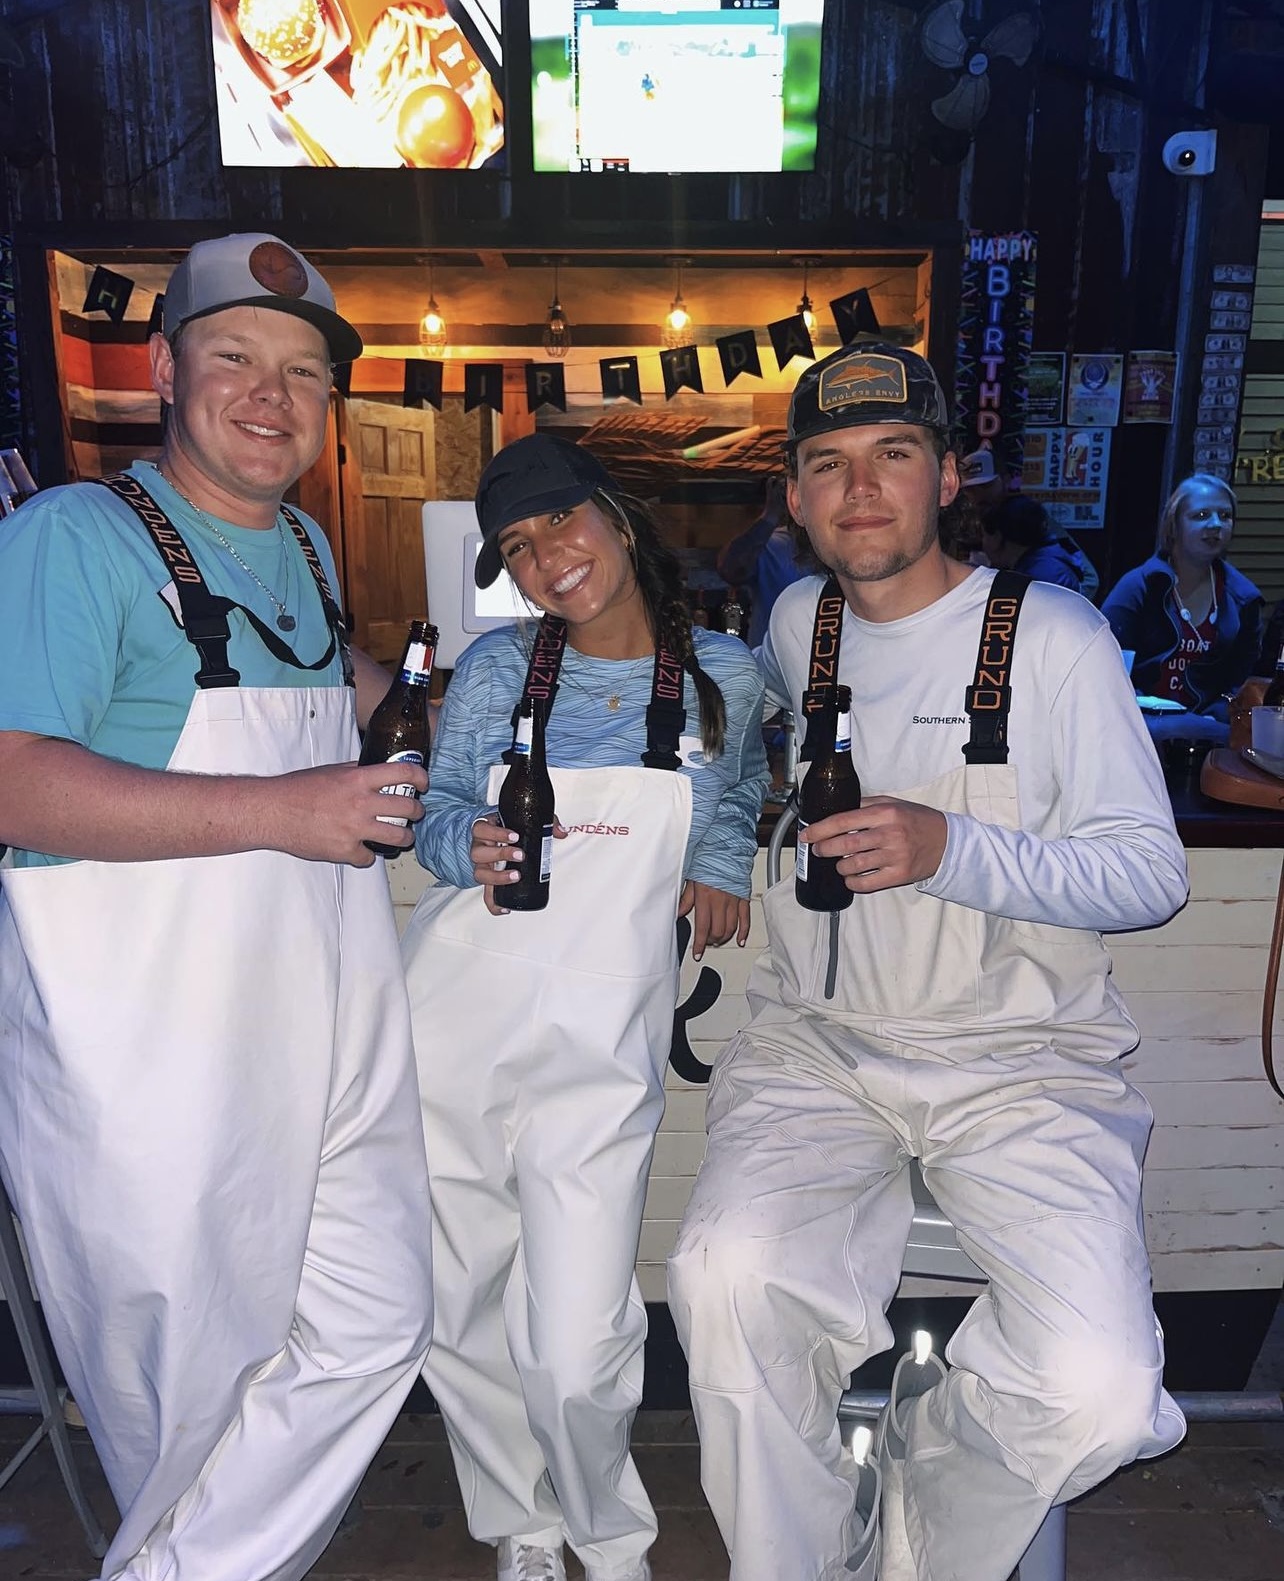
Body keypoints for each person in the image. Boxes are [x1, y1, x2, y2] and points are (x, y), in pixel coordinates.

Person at [667, 342, 1189, 1581]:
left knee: (1100, 1389)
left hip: (1025, 1061)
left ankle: (919, 1496)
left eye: (893, 455)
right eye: (828, 465)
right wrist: (718, 842)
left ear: (947, 477)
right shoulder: (797, 620)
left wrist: (951, 846)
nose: (860, 491)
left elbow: (1150, 875)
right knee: (725, 1279)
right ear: (793, 499)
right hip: (820, 1049)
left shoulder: (1054, 635)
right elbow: (741, 749)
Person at [0, 234, 435, 1581]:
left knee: (381, 1320)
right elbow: (16, 783)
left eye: (302, 371)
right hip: (148, 1060)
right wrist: (283, 810)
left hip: (324, 1024)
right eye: (235, 356)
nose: (271, 394)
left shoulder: (300, 540)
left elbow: (329, 679)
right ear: (163, 369)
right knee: (188, 1411)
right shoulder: (71, 538)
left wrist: (485, 704)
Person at [401, 433, 768, 1581]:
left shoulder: (724, 672)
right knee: (458, 1302)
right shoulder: (501, 669)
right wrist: (466, 841)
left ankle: (608, 1539)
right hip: (456, 1023)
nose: (545, 557)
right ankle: (521, 1525)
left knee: (577, 1333)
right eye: (517, 546)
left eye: (559, 521)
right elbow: (432, 813)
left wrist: (720, 854)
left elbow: (744, 779)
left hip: (602, 1048)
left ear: (614, 512)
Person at [1101, 473, 1263, 739]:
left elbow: (1242, 679)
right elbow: (1103, 660)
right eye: (1201, 515)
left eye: (1225, 516)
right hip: (1136, 723)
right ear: (1174, 525)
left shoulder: (1244, 598)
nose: (1215, 524)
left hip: (1209, 728)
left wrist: (1218, 712)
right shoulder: (1140, 586)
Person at [960, 447, 1100, 600]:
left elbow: (1090, 580)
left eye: (986, 486)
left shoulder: (1028, 516)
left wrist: (1069, 603)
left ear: (1005, 480)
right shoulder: (960, 521)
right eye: (970, 489)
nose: (979, 495)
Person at [716, 473, 809, 647]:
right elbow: (729, 570)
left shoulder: (839, 543)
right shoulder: (770, 544)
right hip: (771, 660)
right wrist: (769, 517)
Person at [980, 493, 1095, 593]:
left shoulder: (1042, 574)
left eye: (984, 536)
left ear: (997, 537)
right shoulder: (1041, 562)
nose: (983, 542)